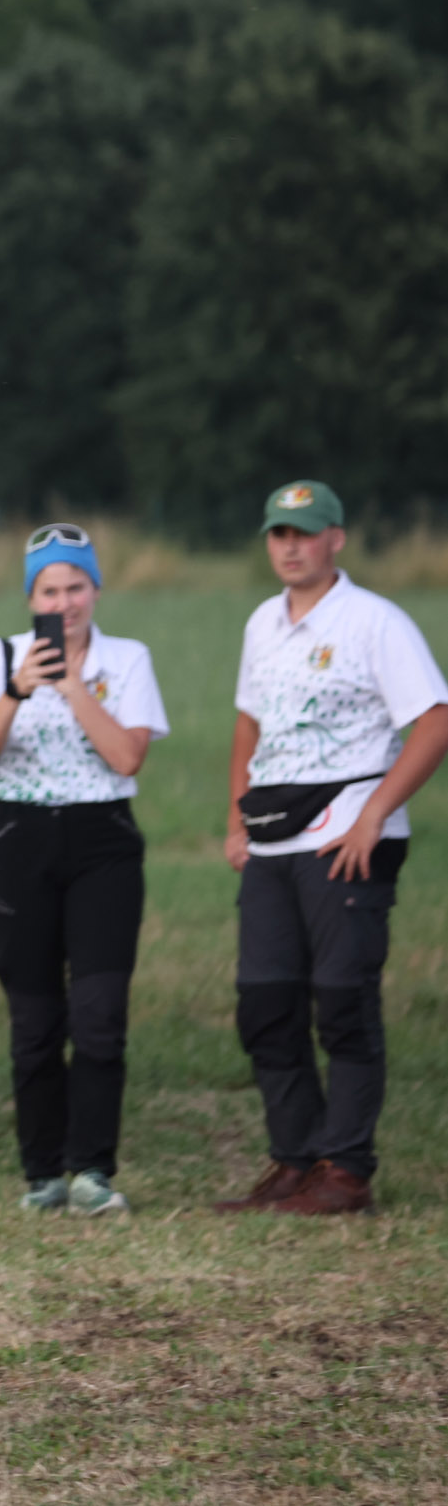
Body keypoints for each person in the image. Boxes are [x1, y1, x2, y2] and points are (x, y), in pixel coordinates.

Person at [215, 481, 448, 1217]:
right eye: (278, 534)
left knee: (341, 1003)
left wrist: (374, 813)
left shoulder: (374, 622)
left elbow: (433, 721)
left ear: (335, 539)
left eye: (304, 533)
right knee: (265, 1004)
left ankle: (343, 1171)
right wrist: (233, 821)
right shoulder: (261, 623)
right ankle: (292, 1161)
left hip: (345, 841)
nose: (289, 546)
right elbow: (248, 726)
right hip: (272, 841)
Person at [0, 525, 168, 1216]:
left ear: (95, 589)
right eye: (49, 588)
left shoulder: (128, 658)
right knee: (34, 1019)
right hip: (18, 840)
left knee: (100, 1012)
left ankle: (92, 1171)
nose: (64, 600)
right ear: (30, 596)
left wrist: (75, 686)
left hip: (100, 840)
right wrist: (19, 690)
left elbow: (126, 757)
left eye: (75, 586)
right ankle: (41, 1173)